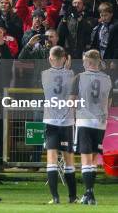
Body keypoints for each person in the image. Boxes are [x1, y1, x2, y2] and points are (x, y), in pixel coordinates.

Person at [73, 49, 113, 205]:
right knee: (94, 158)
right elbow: (108, 102)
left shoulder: (80, 78)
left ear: (89, 62)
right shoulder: (108, 79)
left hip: (85, 121)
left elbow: (72, 100)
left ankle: (89, 194)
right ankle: (89, 193)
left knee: (85, 158)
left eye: (84, 60)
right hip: (100, 123)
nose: (83, 63)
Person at [40, 46, 77, 204]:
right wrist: (67, 69)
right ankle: (72, 197)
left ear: (50, 59)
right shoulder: (72, 75)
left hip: (50, 121)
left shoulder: (44, 75)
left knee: (51, 158)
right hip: (67, 120)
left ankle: (55, 198)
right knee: (69, 160)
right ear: (65, 59)